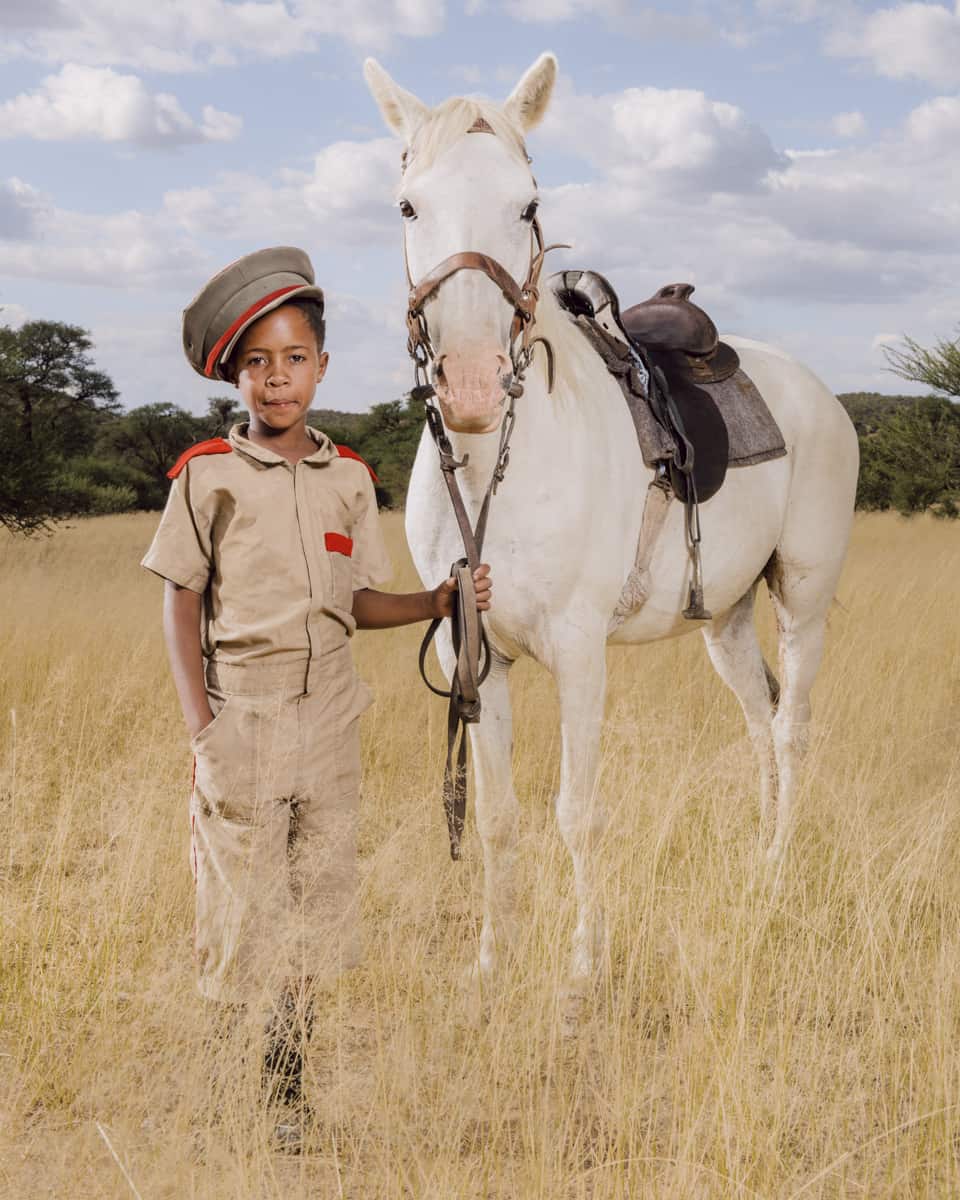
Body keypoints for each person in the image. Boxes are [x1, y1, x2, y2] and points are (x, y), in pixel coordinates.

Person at [141, 247, 491, 1142]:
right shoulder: (206, 475)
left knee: (317, 910)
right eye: (257, 363)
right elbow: (180, 604)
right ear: (235, 377)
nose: (277, 379)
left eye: (294, 359)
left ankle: (286, 1096)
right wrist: (202, 728)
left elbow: (356, 601)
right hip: (242, 720)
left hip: (332, 723)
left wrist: (437, 600)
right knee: (239, 911)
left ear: (322, 367)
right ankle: (224, 1086)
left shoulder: (349, 480)